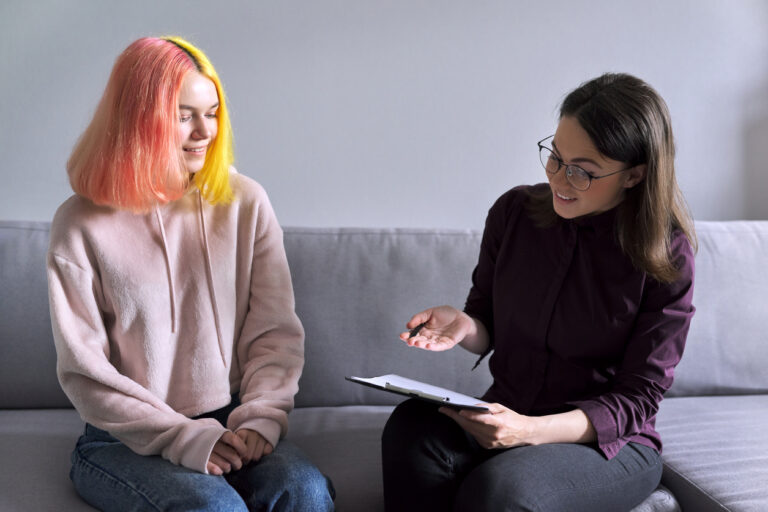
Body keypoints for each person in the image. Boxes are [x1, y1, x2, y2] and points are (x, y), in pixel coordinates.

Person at [382, 73, 696, 512]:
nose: (559, 179)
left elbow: (638, 398)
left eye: (582, 171)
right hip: (506, 410)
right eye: (555, 156)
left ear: (634, 175)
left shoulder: (667, 256)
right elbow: (485, 319)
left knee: (501, 490)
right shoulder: (514, 214)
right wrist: (466, 326)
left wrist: (528, 431)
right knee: (411, 429)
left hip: (605, 444)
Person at [47, 36, 334, 511]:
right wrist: (182, 438)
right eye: (184, 116)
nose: (206, 131)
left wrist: (260, 418)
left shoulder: (245, 202)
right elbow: (85, 371)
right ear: (138, 119)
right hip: (125, 438)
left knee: (303, 491)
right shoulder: (79, 223)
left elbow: (275, 332)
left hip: (233, 424)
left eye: (213, 112)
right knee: (213, 507)